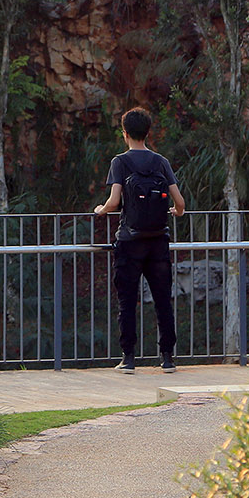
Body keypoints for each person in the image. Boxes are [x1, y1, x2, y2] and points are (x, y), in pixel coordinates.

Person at [93, 107, 186, 373]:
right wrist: (176, 212)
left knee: (127, 301)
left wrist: (101, 210)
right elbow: (179, 202)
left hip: (129, 241)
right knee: (162, 300)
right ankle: (167, 358)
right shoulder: (161, 162)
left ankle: (129, 358)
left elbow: (113, 202)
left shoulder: (120, 162)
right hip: (158, 241)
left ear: (125, 134)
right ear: (148, 132)